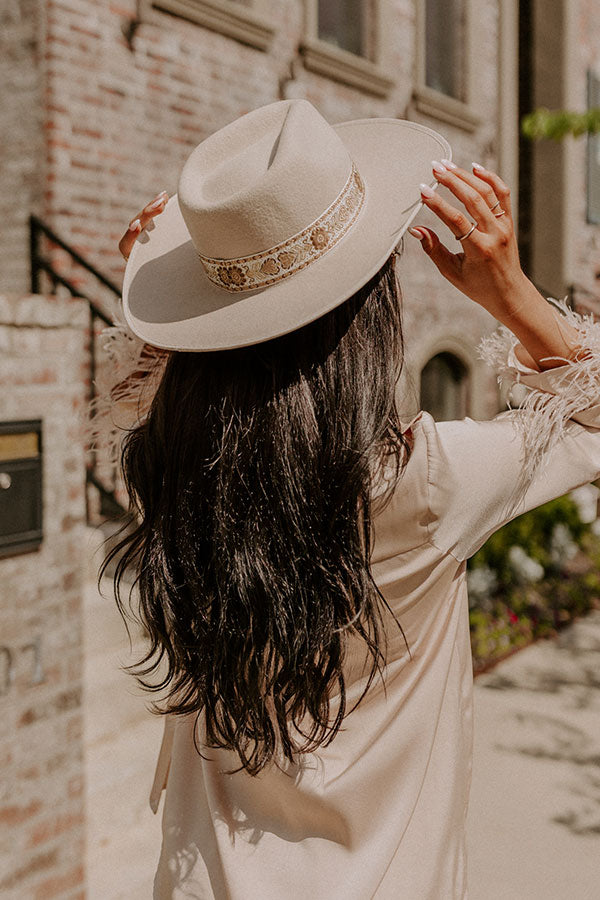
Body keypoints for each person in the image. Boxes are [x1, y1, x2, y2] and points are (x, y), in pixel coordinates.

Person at [102, 100, 600, 899]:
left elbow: (139, 386)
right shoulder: (429, 482)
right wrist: (511, 292)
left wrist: (167, 305)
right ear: (372, 311)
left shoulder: (173, 462)